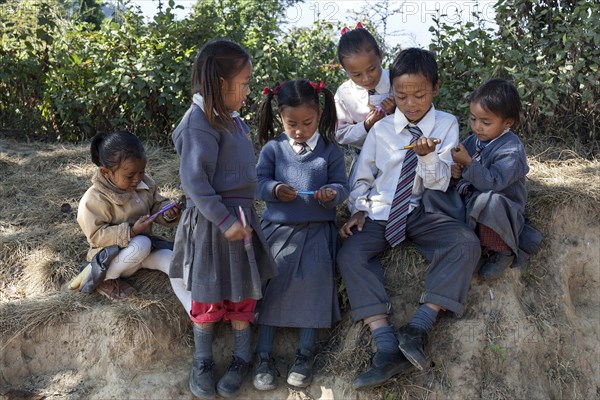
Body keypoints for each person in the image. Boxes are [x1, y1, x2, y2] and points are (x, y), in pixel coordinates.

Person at [336, 48, 481, 390]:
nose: (411, 103)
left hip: (424, 210)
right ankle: (386, 347)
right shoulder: (381, 130)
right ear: (392, 93)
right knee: (350, 254)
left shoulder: (446, 124)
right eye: (401, 95)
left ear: (435, 89)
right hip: (381, 211)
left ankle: (418, 327)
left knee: (465, 244)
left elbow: (440, 181)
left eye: (419, 94)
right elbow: (361, 176)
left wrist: (429, 157)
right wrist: (358, 207)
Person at [169, 39, 277, 400]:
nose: (248, 90)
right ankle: (202, 361)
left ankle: (241, 358)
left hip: (240, 219)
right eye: (244, 83)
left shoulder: (231, 121)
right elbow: (195, 182)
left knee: (243, 292)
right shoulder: (196, 123)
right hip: (213, 226)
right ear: (219, 83)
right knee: (207, 295)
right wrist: (223, 220)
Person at [252, 79, 349, 390]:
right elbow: (258, 182)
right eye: (291, 123)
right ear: (280, 116)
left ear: (319, 114)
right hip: (277, 230)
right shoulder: (273, 149)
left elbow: (342, 185)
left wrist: (331, 194)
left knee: (316, 281)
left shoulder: (331, 150)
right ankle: (263, 356)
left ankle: (305, 354)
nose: (299, 130)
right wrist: (274, 189)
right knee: (270, 280)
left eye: (307, 123)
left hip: (319, 231)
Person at [426, 78, 542, 280]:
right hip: (469, 203)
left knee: (488, 201)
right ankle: (468, 245)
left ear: (507, 122)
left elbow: (494, 183)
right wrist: (455, 172)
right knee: (432, 195)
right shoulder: (473, 140)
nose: (477, 127)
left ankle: (501, 250)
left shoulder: (511, 149)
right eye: (473, 119)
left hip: (498, 211)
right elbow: (460, 170)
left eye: (486, 122)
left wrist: (469, 165)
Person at [73, 130, 190, 314]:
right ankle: (104, 280)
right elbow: (96, 236)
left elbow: (157, 204)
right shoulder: (93, 199)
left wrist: (167, 213)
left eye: (141, 172)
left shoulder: (145, 183)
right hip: (113, 258)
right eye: (129, 176)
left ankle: (195, 311)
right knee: (141, 243)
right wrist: (132, 232)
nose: (137, 179)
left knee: (171, 259)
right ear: (106, 172)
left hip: (142, 254)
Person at [334, 22, 396, 151]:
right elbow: (340, 133)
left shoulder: (396, 82)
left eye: (372, 69)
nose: (366, 78)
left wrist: (396, 111)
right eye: (356, 75)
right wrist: (366, 125)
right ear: (345, 70)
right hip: (365, 157)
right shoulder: (344, 94)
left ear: (380, 57)